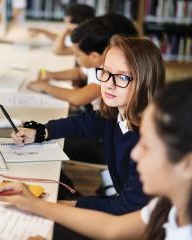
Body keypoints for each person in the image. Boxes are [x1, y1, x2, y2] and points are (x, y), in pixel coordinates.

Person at [0, 78, 192, 240]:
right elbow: (112, 228)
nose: (135, 153)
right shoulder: (167, 205)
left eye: (147, 146)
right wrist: (34, 204)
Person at [9, 35, 166, 215]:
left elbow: (127, 207)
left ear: (145, 82)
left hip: (139, 224)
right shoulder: (117, 114)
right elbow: (82, 124)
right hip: (122, 208)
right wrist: (41, 132)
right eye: (105, 72)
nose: (108, 84)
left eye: (122, 77)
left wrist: (63, 206)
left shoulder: (148, 142)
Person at [29, 13, 138, 110]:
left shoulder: (107, 77)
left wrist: (44, 87)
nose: (76, 58)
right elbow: (80, 73)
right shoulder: (98, 62)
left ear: (94, 56)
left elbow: (76, 99)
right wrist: (52, 75)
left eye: (77, 55)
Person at [28, 3, 94, 55]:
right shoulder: (80, 33)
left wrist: (66, 29)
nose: (64, 19)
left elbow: (58, 50)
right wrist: (42, 31)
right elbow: (61, 40)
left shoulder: (84, 39)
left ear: (70, 18)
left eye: (66, 16)